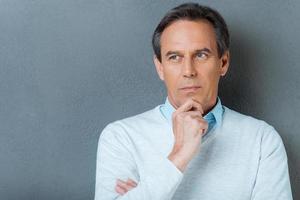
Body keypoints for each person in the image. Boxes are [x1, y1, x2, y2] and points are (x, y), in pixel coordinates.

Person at [94, 3, 293, 200]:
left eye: (201, 55)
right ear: (160, 67)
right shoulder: (120, 138)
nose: (188, 70)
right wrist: (179, 155)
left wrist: (146, 191)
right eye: (174, 57)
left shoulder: (262, 140)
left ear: (223, 63)